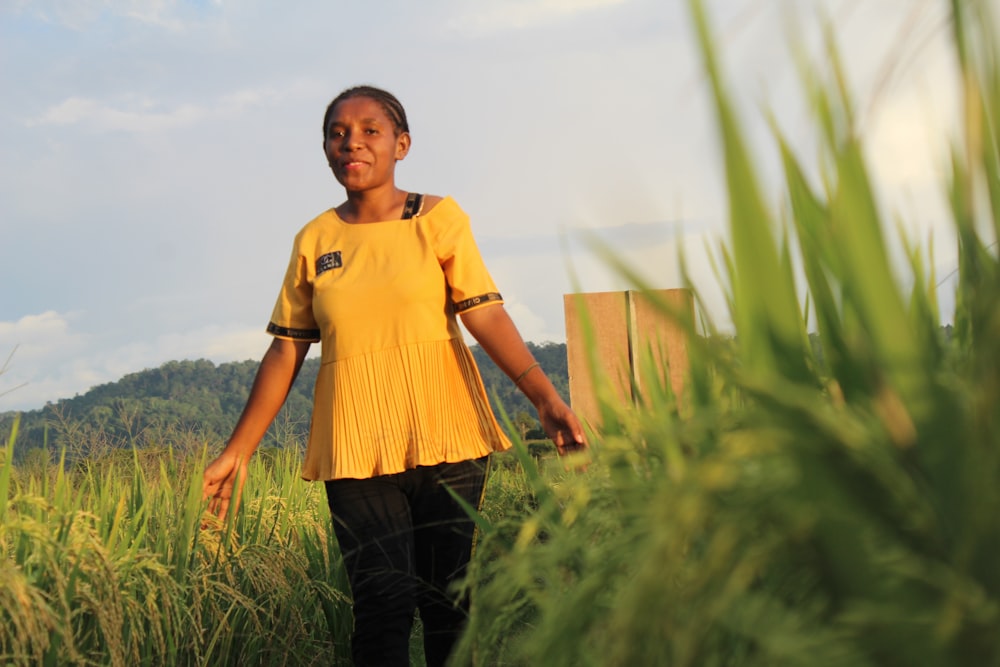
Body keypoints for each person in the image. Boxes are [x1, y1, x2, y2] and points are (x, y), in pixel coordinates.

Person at [201, 84, 586, 666]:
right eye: (337, 133)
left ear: (401, 145)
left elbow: (484, 312)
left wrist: (544, 397)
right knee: (381, 602)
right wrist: (238, 451)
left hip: (447, 431)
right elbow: (286, 352)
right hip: (353, 441)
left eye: (369, 131)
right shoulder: (314, 241)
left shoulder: (438, 219)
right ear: (326, 150)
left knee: (446, 600)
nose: (351, 142)